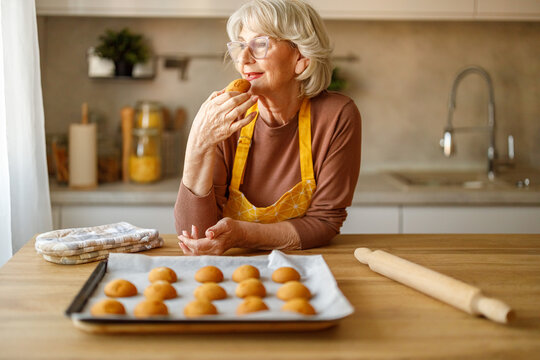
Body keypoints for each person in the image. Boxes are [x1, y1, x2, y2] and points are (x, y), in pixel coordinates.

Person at [175, 0, 361, 255]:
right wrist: (198, 143)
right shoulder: (225, 118)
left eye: (260, 44)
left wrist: (243, 234)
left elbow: (324, 222)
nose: (243, 59)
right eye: (240, 45)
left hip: (302, 268)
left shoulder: (337, 116)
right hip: (230, 270)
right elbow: (195, 237)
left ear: (302, 57)